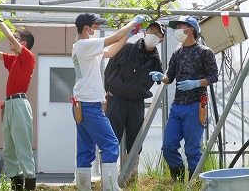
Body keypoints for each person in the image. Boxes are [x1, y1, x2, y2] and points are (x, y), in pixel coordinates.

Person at [72, 13, 145, 191]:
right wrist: (133, 22)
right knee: (111, 144)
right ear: (86, 27)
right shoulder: (84, 45)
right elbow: (114, 37)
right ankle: (111, 187)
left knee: (86, 149)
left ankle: (84, 188)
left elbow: (111, 51)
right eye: (95, 26)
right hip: (89, 105)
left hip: (81, 103)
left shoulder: (83, 48)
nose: (97, 29)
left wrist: (128, 35)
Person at [149, 16, 218, 182]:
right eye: (176, 27)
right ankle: (179, 180)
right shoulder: (177, 53)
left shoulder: (205, 52)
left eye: (180, 27)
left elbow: (213, 76)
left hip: (196, 105)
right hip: (177, 106)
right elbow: (169, 77)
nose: (177, 30)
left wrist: (195, 83)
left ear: (190, 29)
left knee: (192, 148)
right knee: (168, 146)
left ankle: (194, 183)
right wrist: (160, 76)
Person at [104, 21, 165, 184]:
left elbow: (161, 79)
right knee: (111, 139)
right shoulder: (127, 48)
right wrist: (107, 93)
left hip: (136, 103)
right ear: (144, 33)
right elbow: (108, 70)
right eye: (150, 31)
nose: (153, 35)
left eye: (157, 34)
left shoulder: (155, 61)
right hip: (116, 99)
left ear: (161, 39)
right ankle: (108, 179)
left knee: (135, 140)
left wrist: (161, 77)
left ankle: (130, 179)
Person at [0, 16, 36, 191]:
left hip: (19, 104)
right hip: (10, 104)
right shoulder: (13, 60)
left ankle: (29, 184)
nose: (12, 40)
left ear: (24, 43)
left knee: (23, 147)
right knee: (9, 150)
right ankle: (16, 187)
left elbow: (10, 38)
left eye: (17, 38)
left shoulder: (27, 57)